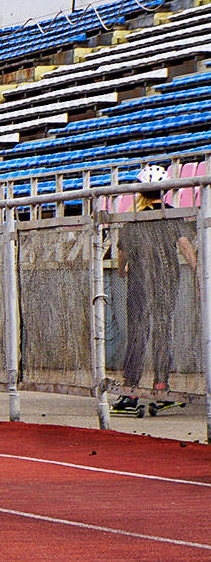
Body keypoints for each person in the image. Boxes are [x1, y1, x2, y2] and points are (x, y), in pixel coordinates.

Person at [112, 164, 198, 417]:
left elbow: (122, 255)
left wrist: (122, 270)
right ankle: (161, 386)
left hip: (139, 283)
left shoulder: (133, 219)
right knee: (163, 329)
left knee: (138, 332)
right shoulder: (171, 215)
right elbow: (185, 246)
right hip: (167, 281)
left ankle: (130, 390)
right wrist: (197, 273)